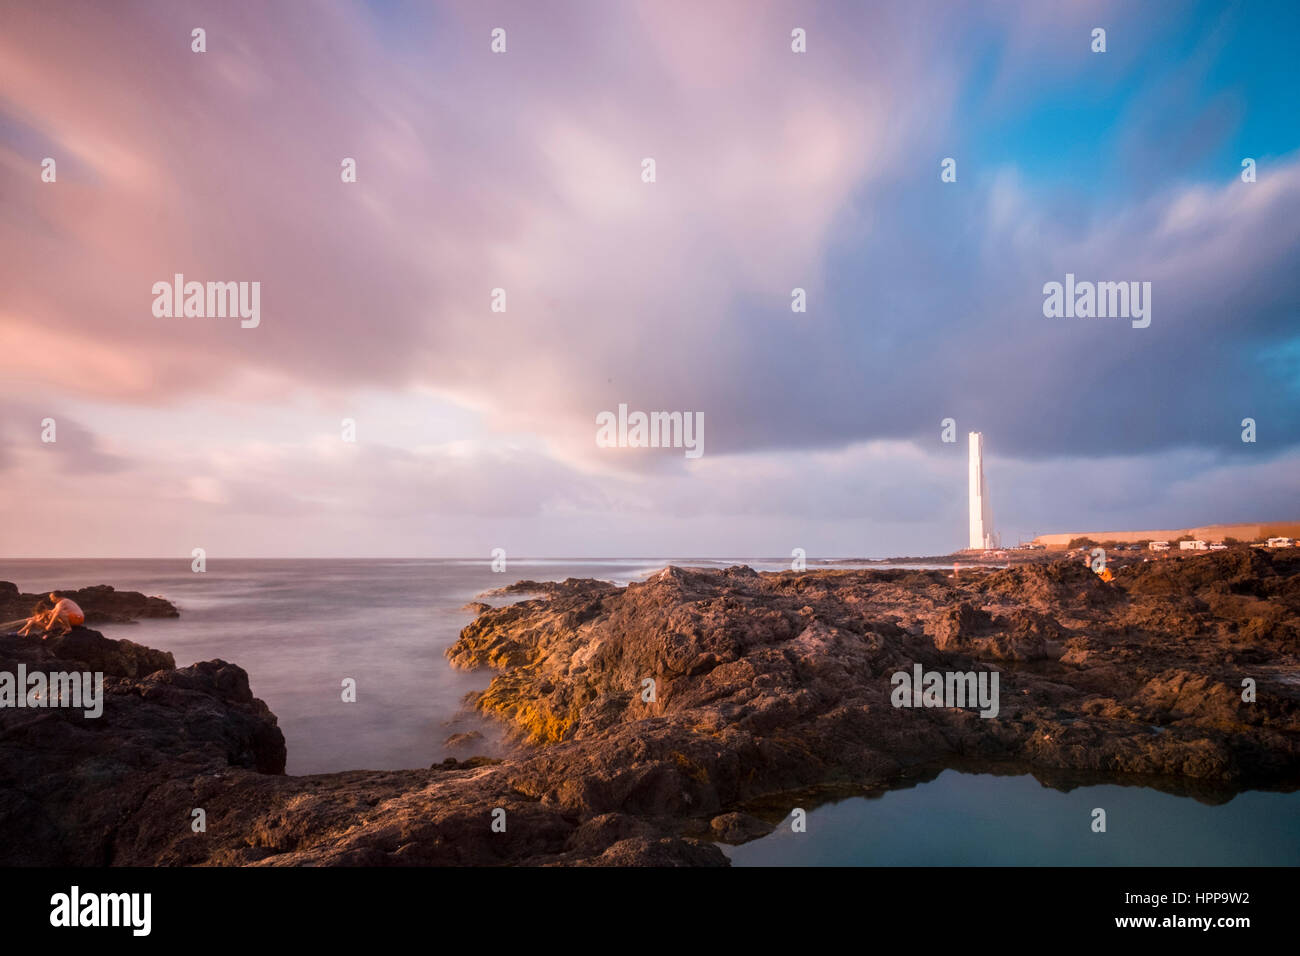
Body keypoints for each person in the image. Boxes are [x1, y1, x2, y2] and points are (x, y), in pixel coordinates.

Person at [17, 593, 85, 638]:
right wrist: (32, 618)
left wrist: (49, 624)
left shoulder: (59, 605)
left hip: (51, 627)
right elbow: (40, 617)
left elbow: (55, 613)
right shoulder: (55, 607)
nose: (51, 599)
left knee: (32, 622)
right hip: (48, 627)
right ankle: (25, 635)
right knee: (31, 621)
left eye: (51, 598)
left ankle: (18, 633)